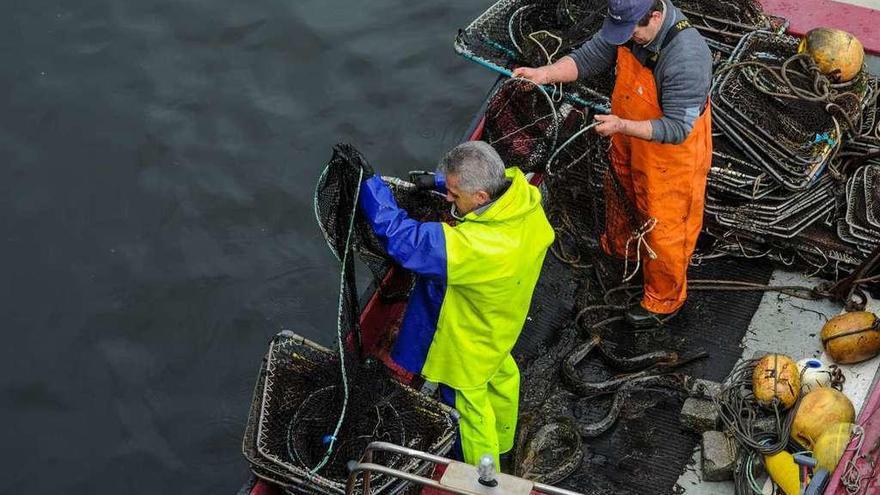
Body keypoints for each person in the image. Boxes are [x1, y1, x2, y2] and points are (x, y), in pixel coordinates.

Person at [513, 0, 713, 328]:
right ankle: (620, 251)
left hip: (671, 156)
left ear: (657, 16)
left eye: (633, 30)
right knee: (619, 192)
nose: (627, 37)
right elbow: (589, 57)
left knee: (665, 227)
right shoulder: (628, 28)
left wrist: (622, 126)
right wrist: (544, 74)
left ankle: (663, 301)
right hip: (627, 134)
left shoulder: (687, 57)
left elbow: (678, 128)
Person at [358, 141, 554, 467]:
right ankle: (504, 441)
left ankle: (481, 476)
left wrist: (371, 189)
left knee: (468, 407)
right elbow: (490, 174)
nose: (449, 200)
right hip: (503, 321)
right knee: (502, 375)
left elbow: (406, 241)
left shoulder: (477, 247)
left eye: (454, 195)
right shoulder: (524, 199)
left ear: (480, 198)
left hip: (469, 340)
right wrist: (438, 181)